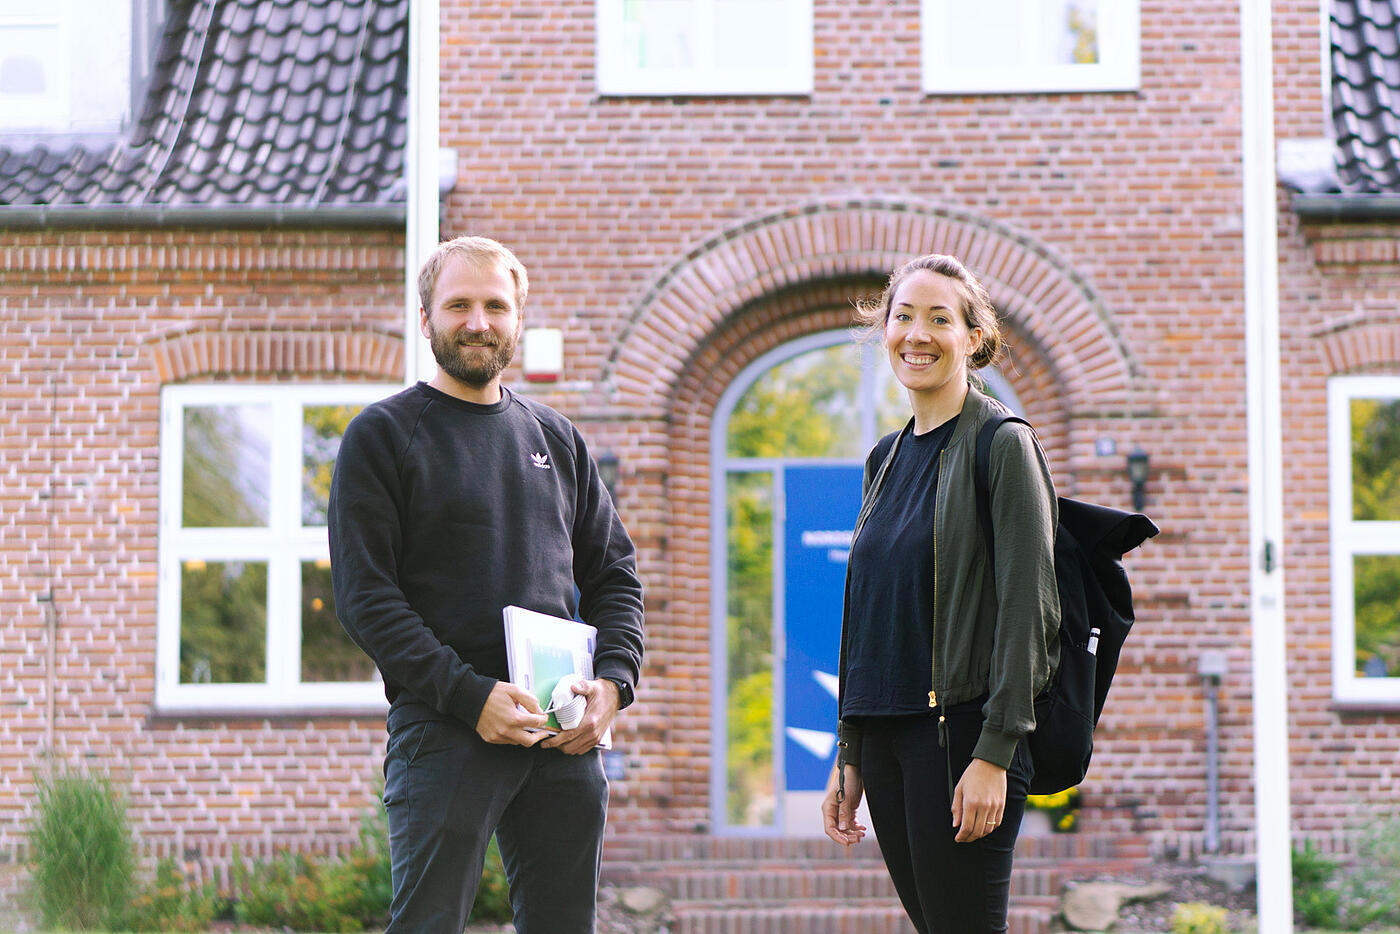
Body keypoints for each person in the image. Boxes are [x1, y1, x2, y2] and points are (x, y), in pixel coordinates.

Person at [328, 235, 645, 933]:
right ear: (425, 318)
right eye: (459, 305)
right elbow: (366, 599)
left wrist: (614, 685)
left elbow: (615, 575)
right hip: (445, 732)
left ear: (518, 317)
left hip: (562, 736)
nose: (478, 322)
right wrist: (471, 698)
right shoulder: (382, 437)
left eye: (495, 305)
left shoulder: (558, 440)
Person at [820, 253, 1060, 934]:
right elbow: (871, 620)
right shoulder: (885, 458)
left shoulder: (1001, 443)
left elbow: (1029, 609)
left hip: (960, 739)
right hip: (890, 740)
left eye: (939, 319)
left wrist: (996, 751)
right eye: (903, 316)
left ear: (973, 338)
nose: (916, 334)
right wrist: (851, 755)